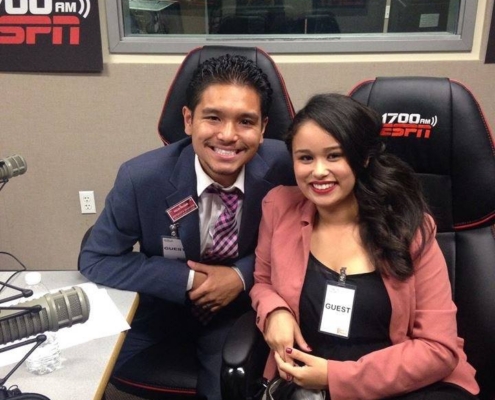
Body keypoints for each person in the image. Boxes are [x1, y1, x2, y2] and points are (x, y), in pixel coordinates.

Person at [79, 54, 295, 400]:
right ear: (188, 120)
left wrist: (239, 276)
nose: (228, 135)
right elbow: (97, 258)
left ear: (263, 127)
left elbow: (307, 242)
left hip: (238, 311)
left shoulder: (288, 167)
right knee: (82, 367)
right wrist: (190, 280)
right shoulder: (141, 178)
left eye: (245, 121)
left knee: (226, 387)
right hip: (161, 304)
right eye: (213, 117)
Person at [250, 93, 480, 400]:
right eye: (305, 158)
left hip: (405, 383)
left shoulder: (410, 227)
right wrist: (274, 311)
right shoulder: (279, 207)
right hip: (308, 383)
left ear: (363, 159)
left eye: (334, 156)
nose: (318, 171)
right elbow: (263, 282)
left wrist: (334, 377)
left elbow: (439, 348)